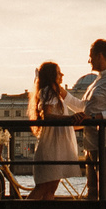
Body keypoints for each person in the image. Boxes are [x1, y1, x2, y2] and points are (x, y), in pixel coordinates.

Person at [70, 38, 106, 199]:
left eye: (91, 56)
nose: (89, 61)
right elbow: (84, 107)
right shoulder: (97, 82)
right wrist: (63, 95)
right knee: (93, 191)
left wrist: (96, 117)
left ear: (100, 56)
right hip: (92, 143)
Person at [29, 61, 79, 199]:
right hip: (52, 147)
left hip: (55, 146)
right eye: (58, 72)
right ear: (51, 75)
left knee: (51, 189)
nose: (62, 75)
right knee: (44, 187)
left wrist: (82, 122)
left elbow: (59, 120)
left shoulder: (53, 93)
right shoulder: (49, 91)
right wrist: (70, 119)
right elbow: (48, 116)